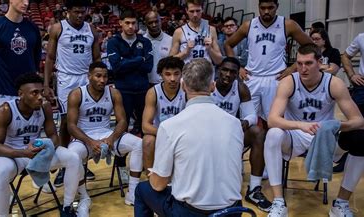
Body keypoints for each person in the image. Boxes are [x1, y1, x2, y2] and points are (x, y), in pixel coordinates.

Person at [264, 44, 364, 217]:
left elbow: (358, 120)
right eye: (299, 63)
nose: (303, 68)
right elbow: (272, 119)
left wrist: (334, 125)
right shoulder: (289, 82)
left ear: (320, 62)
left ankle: (341, 203)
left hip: (325, 136)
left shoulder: (334, 83)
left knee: (363, 139)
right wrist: (301, 125)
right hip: (296, 136)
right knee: (273, 134)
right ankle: (279, 203)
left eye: (308, 63)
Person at [134, 58, 243, 217]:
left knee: (142, 190)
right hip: (232, 211)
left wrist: (159, 174)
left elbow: (158, 186)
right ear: (212, 86)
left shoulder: (170, 126)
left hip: (191, 213)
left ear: (183, 85)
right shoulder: (235, 124)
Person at [0, 73, 83, 217]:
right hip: (12, 155)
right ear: (21, 94)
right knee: (1, 172)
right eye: (34, 93)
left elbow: (54, 137)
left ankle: (67, 207)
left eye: (41, 92)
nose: (40, 97)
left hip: (36, 153)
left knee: (73, 158)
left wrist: (45, 147)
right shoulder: (5, 111)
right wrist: (23, 153)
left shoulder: (45, 107)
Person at [67, 62, 143, 210]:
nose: (102, 80)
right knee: (73, 155)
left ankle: (133, 192)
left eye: (105, 76)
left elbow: (122, 121)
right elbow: (71, 126)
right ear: (89, 76)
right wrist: (91, 142)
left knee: (139, 144)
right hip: (85, 136)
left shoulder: (114, 93)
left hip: (107, 133)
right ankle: (83, 196)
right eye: (98, 76)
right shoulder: (76, 94)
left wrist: (111, 139)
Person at [224, 0, 312, 126]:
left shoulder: (288, 24)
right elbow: (228, 44)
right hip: (252, 77)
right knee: (247, 122)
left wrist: (293, 68)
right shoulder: (248, 25)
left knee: (273, 122)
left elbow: (310, 46)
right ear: (258, 7)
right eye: (263, 8)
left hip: (275, 78)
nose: (266, 11)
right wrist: (238, 68)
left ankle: (270, 145)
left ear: (277, 7)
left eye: (270, 7)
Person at [43, 0, 101, 186]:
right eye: (76, 11)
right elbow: (50, 58)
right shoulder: (57, 28)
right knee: (68, 121)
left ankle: (81, 163)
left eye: (82, 12)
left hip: (86, 77)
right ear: (68, 11)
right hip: (66, 79)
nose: (79, 15)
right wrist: (46, 84)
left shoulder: (91, 29)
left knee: (83, 121)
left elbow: (97, 58)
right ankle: (62, 165)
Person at [210, 57, 271, 212]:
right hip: (209, 134)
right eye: (224, 70)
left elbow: (252, 115)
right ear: (218, 70)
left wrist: (244, 122)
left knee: (258, 132)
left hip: (232, 133)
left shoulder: (241, 88)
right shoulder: (208, 86)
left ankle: (254, 189)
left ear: (237, 74)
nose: (227, 74)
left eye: (232, 72)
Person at [107, 9, 153, 180]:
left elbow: (148, 67)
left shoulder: (144, 42)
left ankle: (144, 163)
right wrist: (139, 60)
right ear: (120, 23)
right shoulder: (113, 42)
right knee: (122, 127)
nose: (131, 26)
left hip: (142, 90)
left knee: (144, 127)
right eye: (127, 23)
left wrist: (126, 62)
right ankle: (120, 166)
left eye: (134, 23)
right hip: (123, 91)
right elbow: (116, 67)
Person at [336, 5, 364, 176]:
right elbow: (345, 55)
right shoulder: (363, 38)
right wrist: (351, 75)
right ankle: (346, 158)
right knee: (353, 123)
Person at [0, 0, 42, 109]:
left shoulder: (33, 28)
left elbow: (36, 58)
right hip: (4, 88)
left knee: (31, 126)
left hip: (29, 89)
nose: (26, 3)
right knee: (5, 125)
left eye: (27, 0)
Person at [142, 56, 185, 172]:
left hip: (182, 134)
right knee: (147, 140)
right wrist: (166, 133)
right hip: (160, 133)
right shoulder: (153, 92)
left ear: (182, 74)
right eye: (168, 74)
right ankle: (150, 178)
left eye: (176, 74)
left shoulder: (187, 90)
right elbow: (145, 126)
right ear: (161, 75)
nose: (172, 79)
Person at [169, 0, 223, 65]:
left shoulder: (211, 29)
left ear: (202, 9)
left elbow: (219, 61)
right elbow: (170, 61)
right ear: (186, 10)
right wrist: (186, 52)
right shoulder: (179, 32)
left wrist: (210, 49)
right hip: (188, 74)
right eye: (192, 11)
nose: (195, 15)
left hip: (207, 73)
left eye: (198, 11)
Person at [143, 11, 173, 85]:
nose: (154, 25)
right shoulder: (141, 41)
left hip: (165, 84)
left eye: (156, 21)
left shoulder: (171, 40)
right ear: (146, 24)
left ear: (161, 22)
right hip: (145, 84)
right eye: (150, 22)